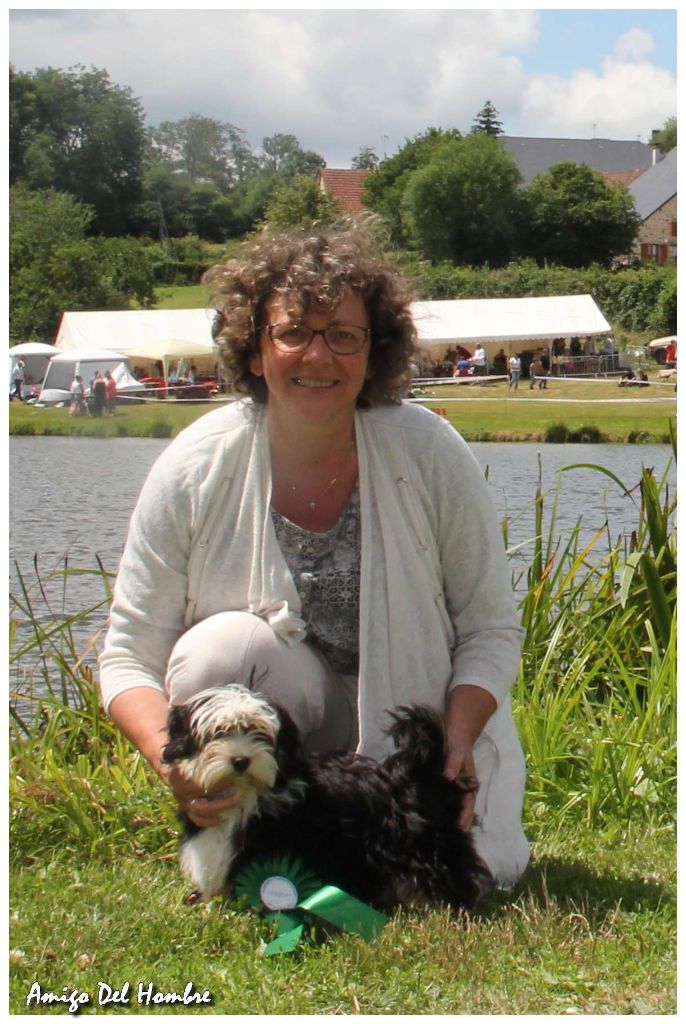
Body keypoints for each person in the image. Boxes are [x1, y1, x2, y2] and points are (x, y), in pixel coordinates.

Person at [98, 223, 529, 889]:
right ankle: (262, 840)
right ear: (253, 350)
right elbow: (127, 656)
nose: (319, 355)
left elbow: (490, 630)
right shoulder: (193, 466)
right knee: (220, 652)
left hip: (416, 741)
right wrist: (170, 760)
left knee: (482, 873)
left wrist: (457, 741)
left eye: (345, 335)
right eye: (294, 331)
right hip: (285, 749)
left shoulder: (432, 453)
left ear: (374, 351)